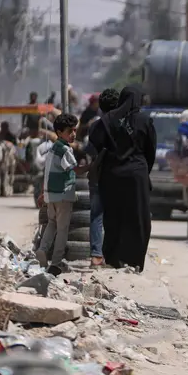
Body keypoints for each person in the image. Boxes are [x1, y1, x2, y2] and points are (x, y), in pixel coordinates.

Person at [89, 85, 157, 271]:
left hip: (112, 176)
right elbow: (151, 151)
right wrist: (143, 171)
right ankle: (135, 261)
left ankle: (113, 258)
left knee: (114, 217)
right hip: (137, 175)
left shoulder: (108, 120)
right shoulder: (144, 120)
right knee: (139, 219)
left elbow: (94, 142)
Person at [35, 113, 80, 276]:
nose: (73, 134)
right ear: (60, 133)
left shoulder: (52, 148)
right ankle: (56, 262)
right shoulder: (65, 149)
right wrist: (92, 166)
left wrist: (42, 193)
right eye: (70, 131)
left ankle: (42, 249)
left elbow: (47, 172)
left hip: (50, 195)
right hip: (63, 195)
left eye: (75, 130)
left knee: (52, 223)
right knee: (62, 229)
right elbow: (75, 169)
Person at [83, 88, 117, 268]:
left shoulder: (96, 125)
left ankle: (96, 256)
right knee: (115, 215)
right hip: (117, 176)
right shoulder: (121, 125)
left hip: (98, 175)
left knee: (96, 215)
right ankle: (112, 255)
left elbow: (90, 150)